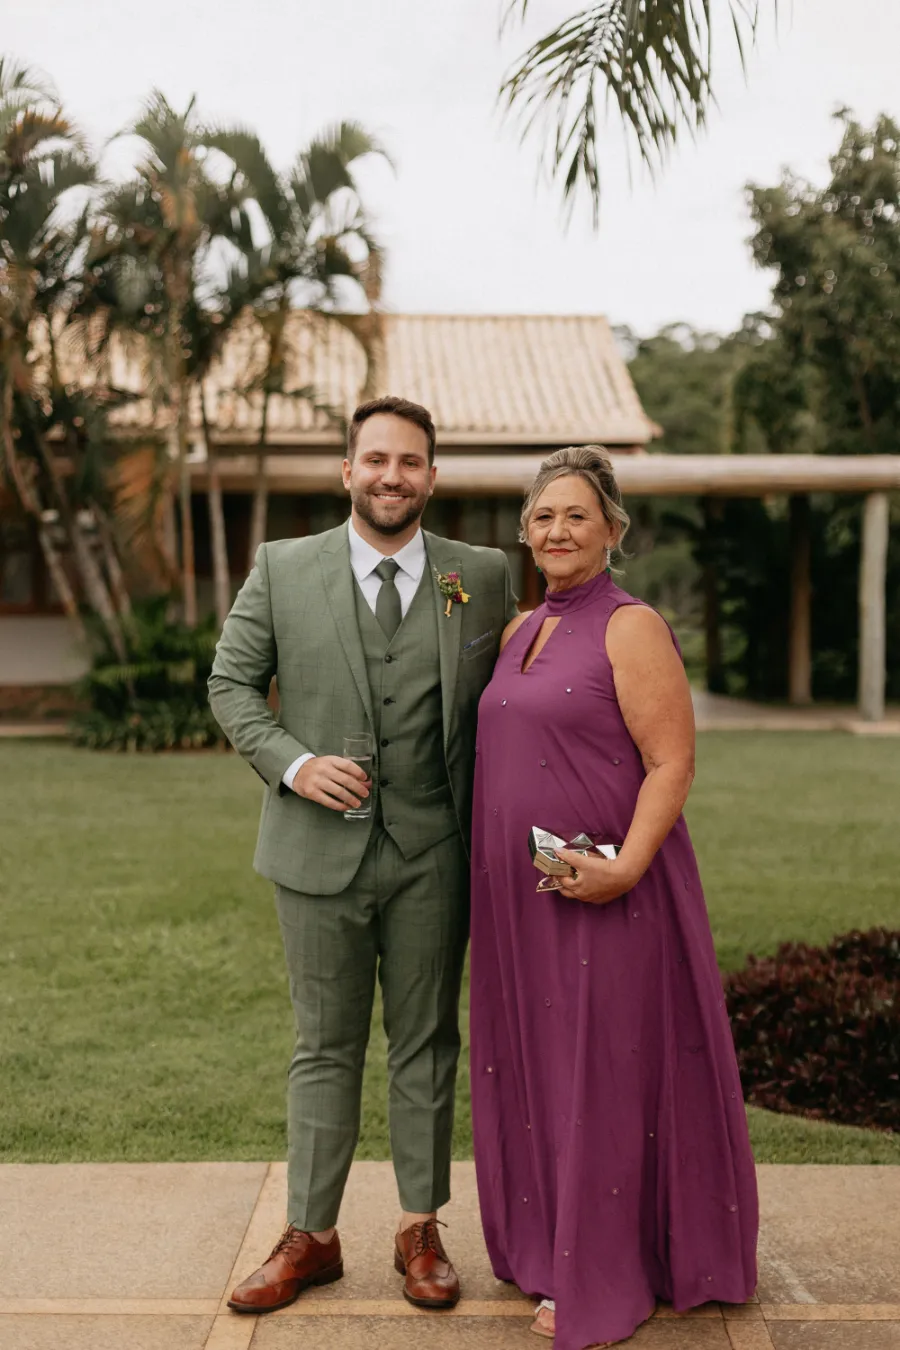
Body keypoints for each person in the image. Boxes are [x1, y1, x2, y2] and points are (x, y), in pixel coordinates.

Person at [209, 395, 518, 1315]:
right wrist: (294, 765)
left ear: (432, 475)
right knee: (323, 1046)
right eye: (375, 459)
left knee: (427, 1042)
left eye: (411, 461)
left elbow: (522, 690)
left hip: (435, 853)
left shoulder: (485, 575)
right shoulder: (283, 567)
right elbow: (231, 683)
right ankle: (313, 1233)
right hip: (313, 857)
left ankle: (418, 1226)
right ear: (347, 471)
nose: (393, 476)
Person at [469, 446, 758, 1350]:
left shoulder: (631, 625)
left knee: (600, 1072)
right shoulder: (520, 629)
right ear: (526, 532)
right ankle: (549, 1245)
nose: (557, 531)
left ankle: (596, 1272)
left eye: (576, 515)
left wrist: (627, 865)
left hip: (609, 891)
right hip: (521, 895)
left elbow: (673, 760)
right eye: (543, 517)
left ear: (613, 531)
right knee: (542, 1067)